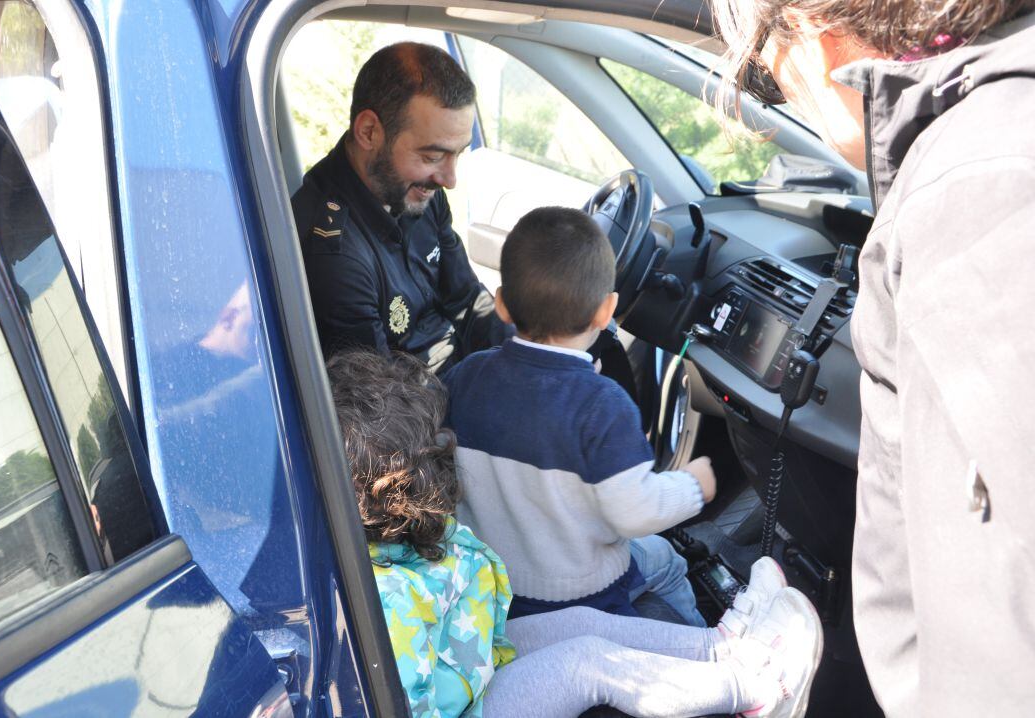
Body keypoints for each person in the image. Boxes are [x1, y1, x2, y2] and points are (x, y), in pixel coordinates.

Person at [709, 0, 1035, 713]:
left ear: (810, 32)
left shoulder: (976, 192)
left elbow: (999, 631)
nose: (782, 92)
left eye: (764, 76)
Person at [327, 348, 824, 718]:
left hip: (466, 655)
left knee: (583, 623)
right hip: (468, 706)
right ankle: (753, 691)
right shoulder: (391, 602)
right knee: (588, 663)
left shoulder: (393, 543)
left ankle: (726, 647)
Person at [442, 207, 714, 625]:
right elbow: (636, 512)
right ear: (607, 311)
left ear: (501, 305)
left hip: (487, 584)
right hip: (581, 595)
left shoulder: (466, 375)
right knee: (668, 561)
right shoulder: (604, 405)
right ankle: (701, 640)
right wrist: (693, 486)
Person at [291, 42, 507, 376]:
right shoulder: (335, 253)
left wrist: (526, 365)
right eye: (432, 156)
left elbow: (466, 300)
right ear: (369, 132)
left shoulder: (420, 189)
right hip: (417, 397)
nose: (449, 179)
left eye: (458, 154)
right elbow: (379, 393)